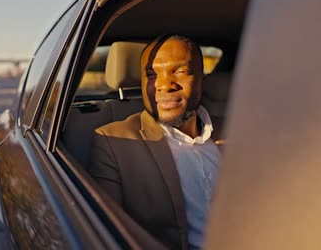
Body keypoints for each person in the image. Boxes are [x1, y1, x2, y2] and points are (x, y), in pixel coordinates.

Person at [88, 34, 224, 250]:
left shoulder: (236, 130)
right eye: (151, 74)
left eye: (179, 71)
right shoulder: (114, 142)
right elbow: (107, 235)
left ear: (201, 79)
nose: (164, 85)